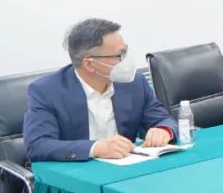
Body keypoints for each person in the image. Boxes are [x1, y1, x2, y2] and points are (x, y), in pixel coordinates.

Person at [24, 18, 177, 163]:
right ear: (90, 64)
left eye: (125, 51)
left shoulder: (134, 83)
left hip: (126, 170)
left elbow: (165, 120)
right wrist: (95, 148)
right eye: (119, 55)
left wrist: (163, 130)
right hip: (76, 173)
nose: (125, 60)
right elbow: (37, 145)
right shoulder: (46, 91)